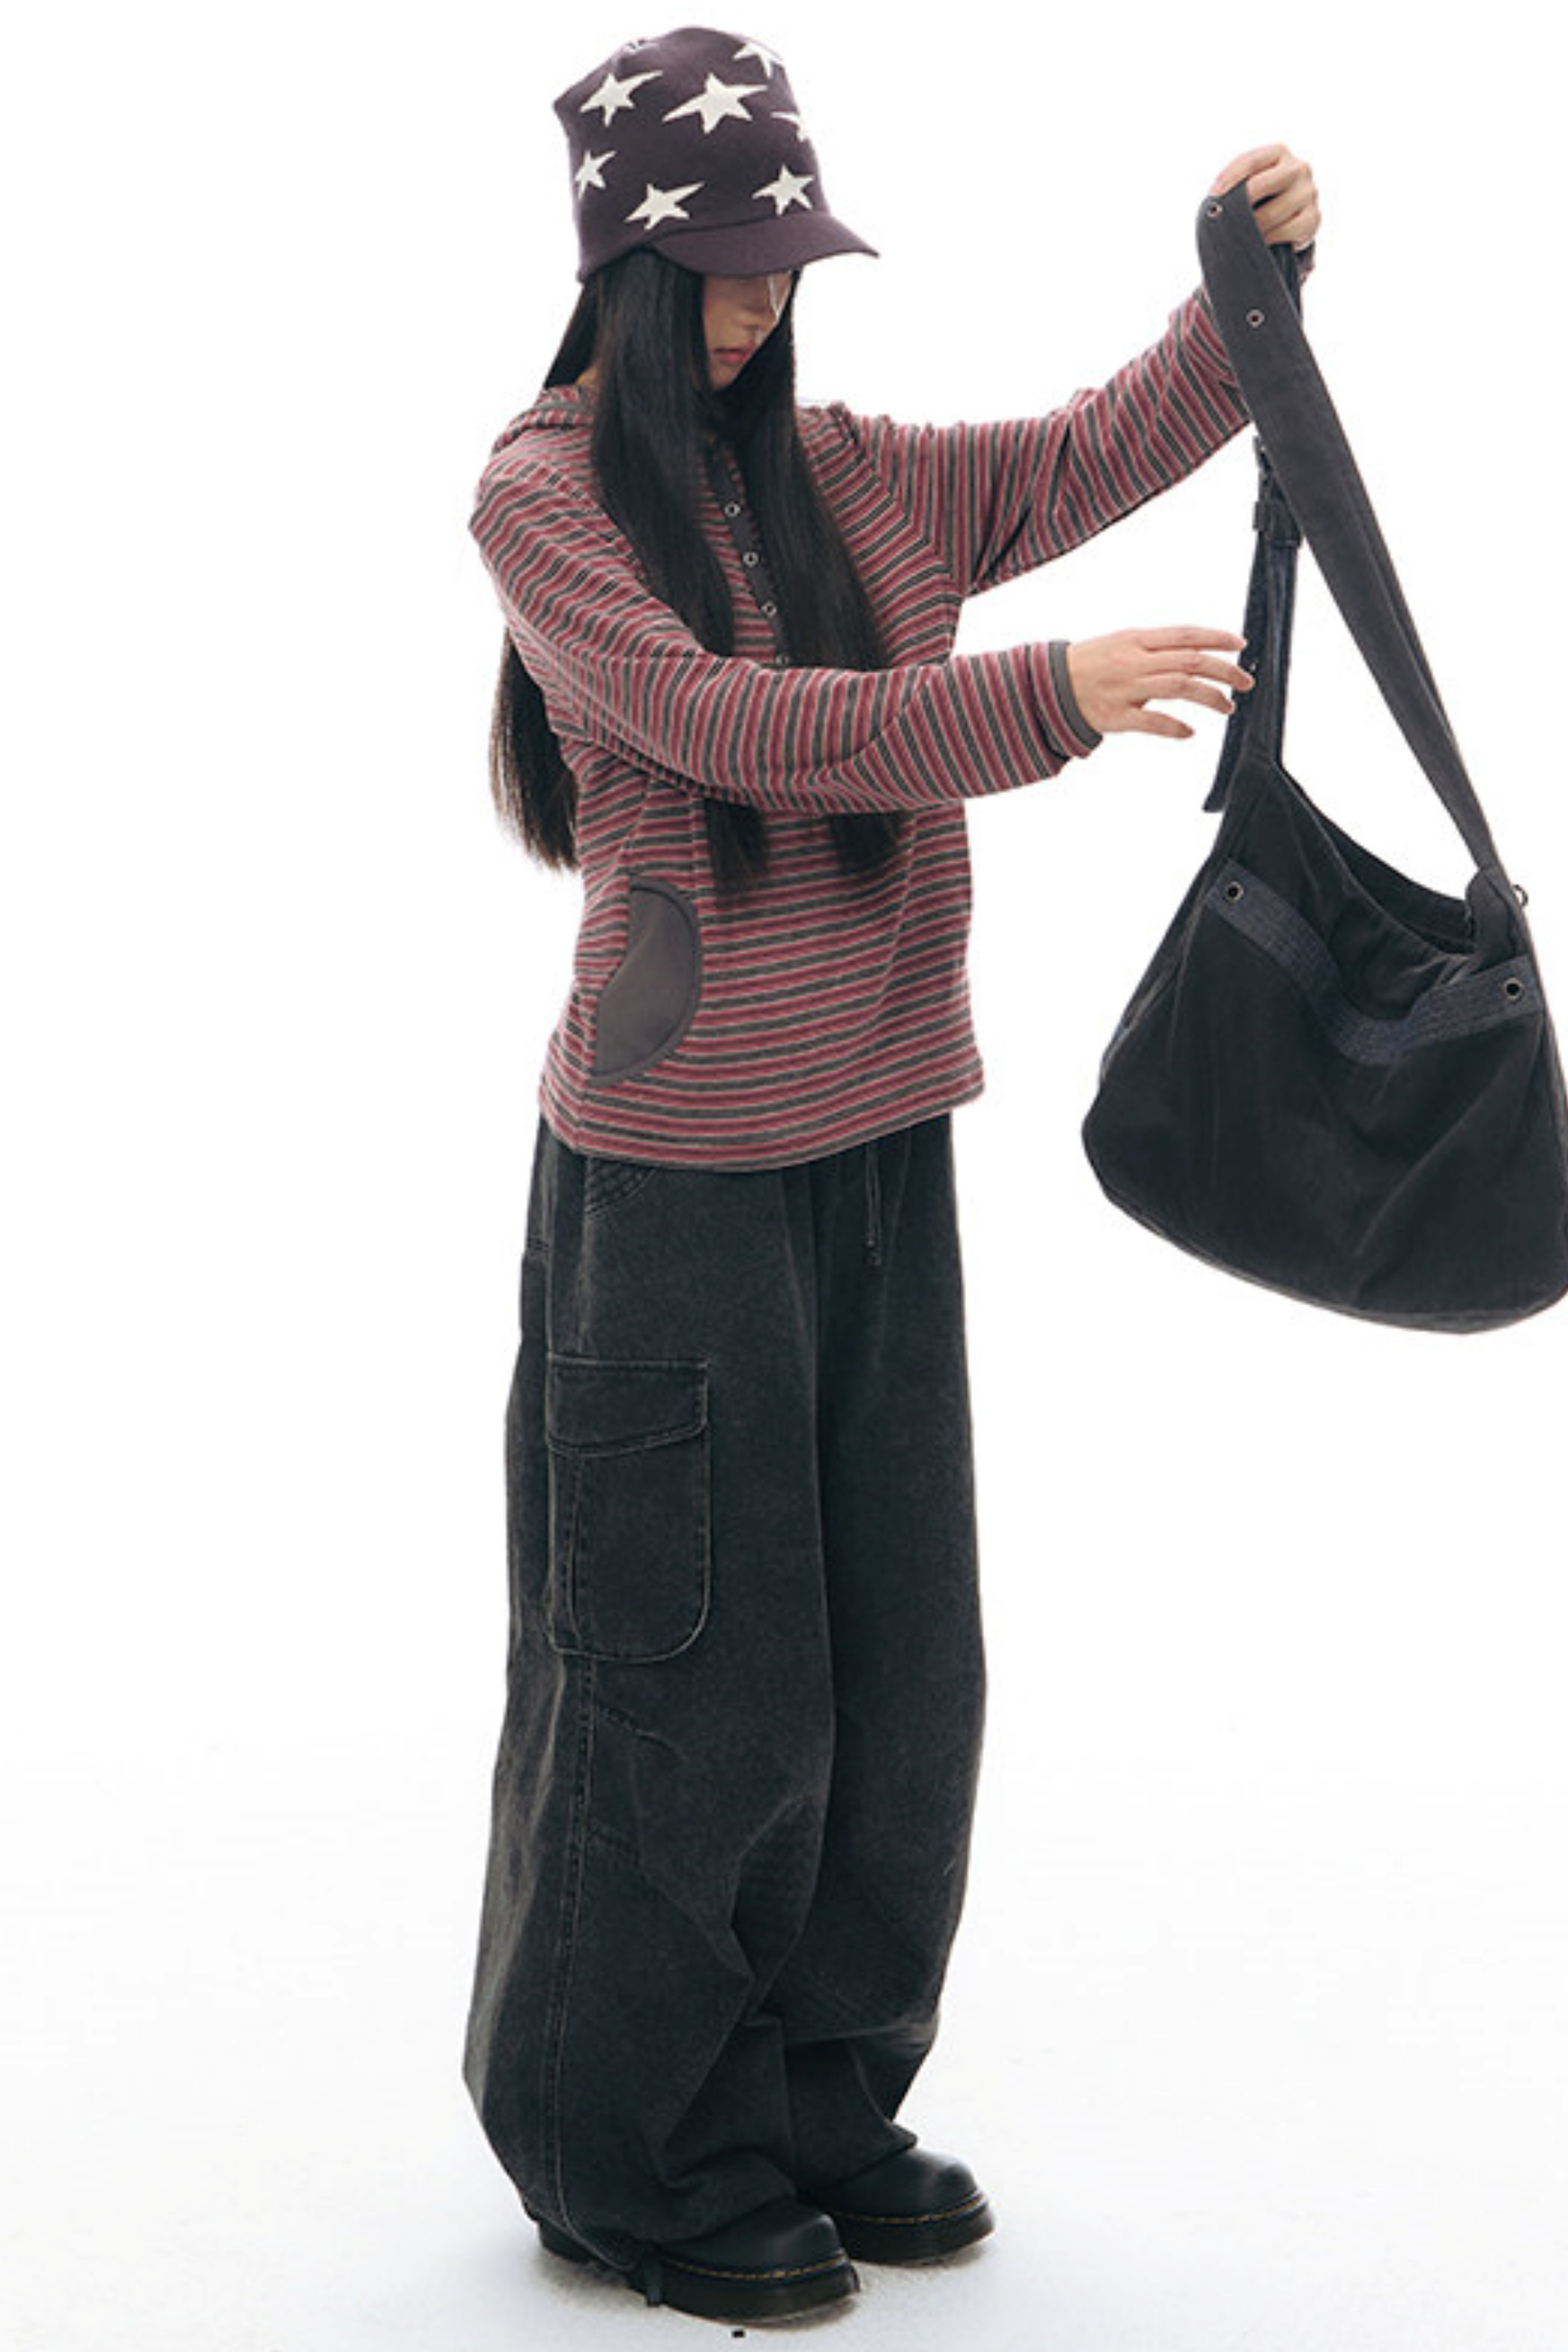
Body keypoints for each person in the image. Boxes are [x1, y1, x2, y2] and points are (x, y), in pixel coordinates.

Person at [462, 23, 1320, 2326]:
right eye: (720, 267)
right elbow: (728, 727)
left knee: (896, 1657)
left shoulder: (854, 478)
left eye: (783, 264)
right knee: (686, 1674)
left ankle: (817, 2095)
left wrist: (1238, 292)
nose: (757, 304)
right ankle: (632, 2153)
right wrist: (1042, 699)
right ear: (625, 266)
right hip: (671, 1184)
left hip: (876, 1138)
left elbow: (1088, 448)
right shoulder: (542, 498)